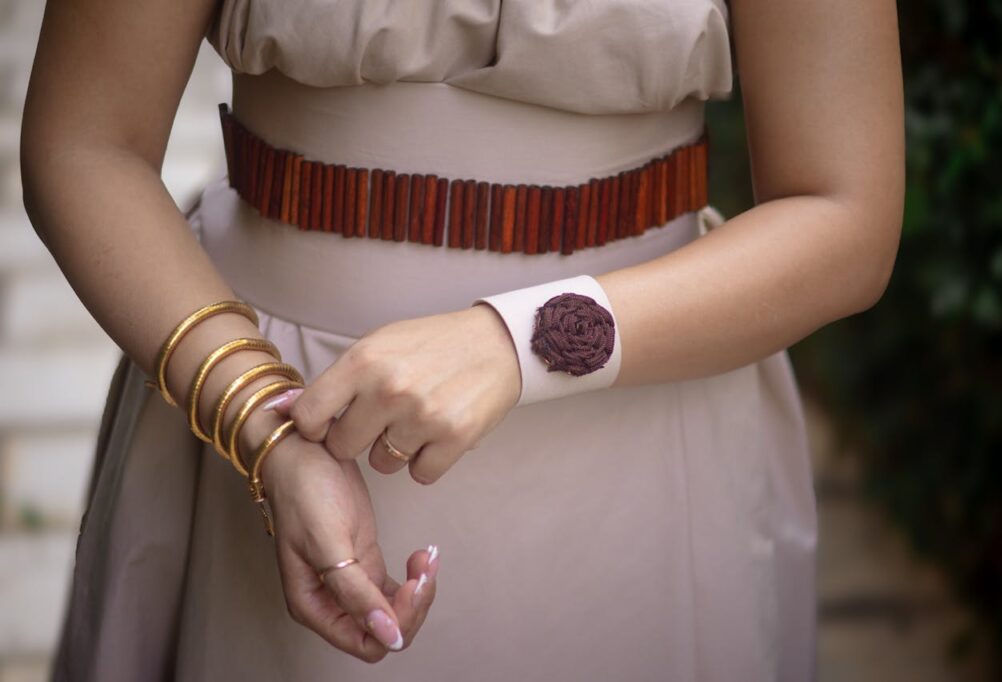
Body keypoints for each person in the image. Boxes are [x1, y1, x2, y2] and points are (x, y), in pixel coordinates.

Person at [21, 0, 904, 679]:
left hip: (644, 442)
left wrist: (521, 343)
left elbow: (844, 214)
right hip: (283, 421)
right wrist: (263, 422)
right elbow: (86, 144)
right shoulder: (266, 426)